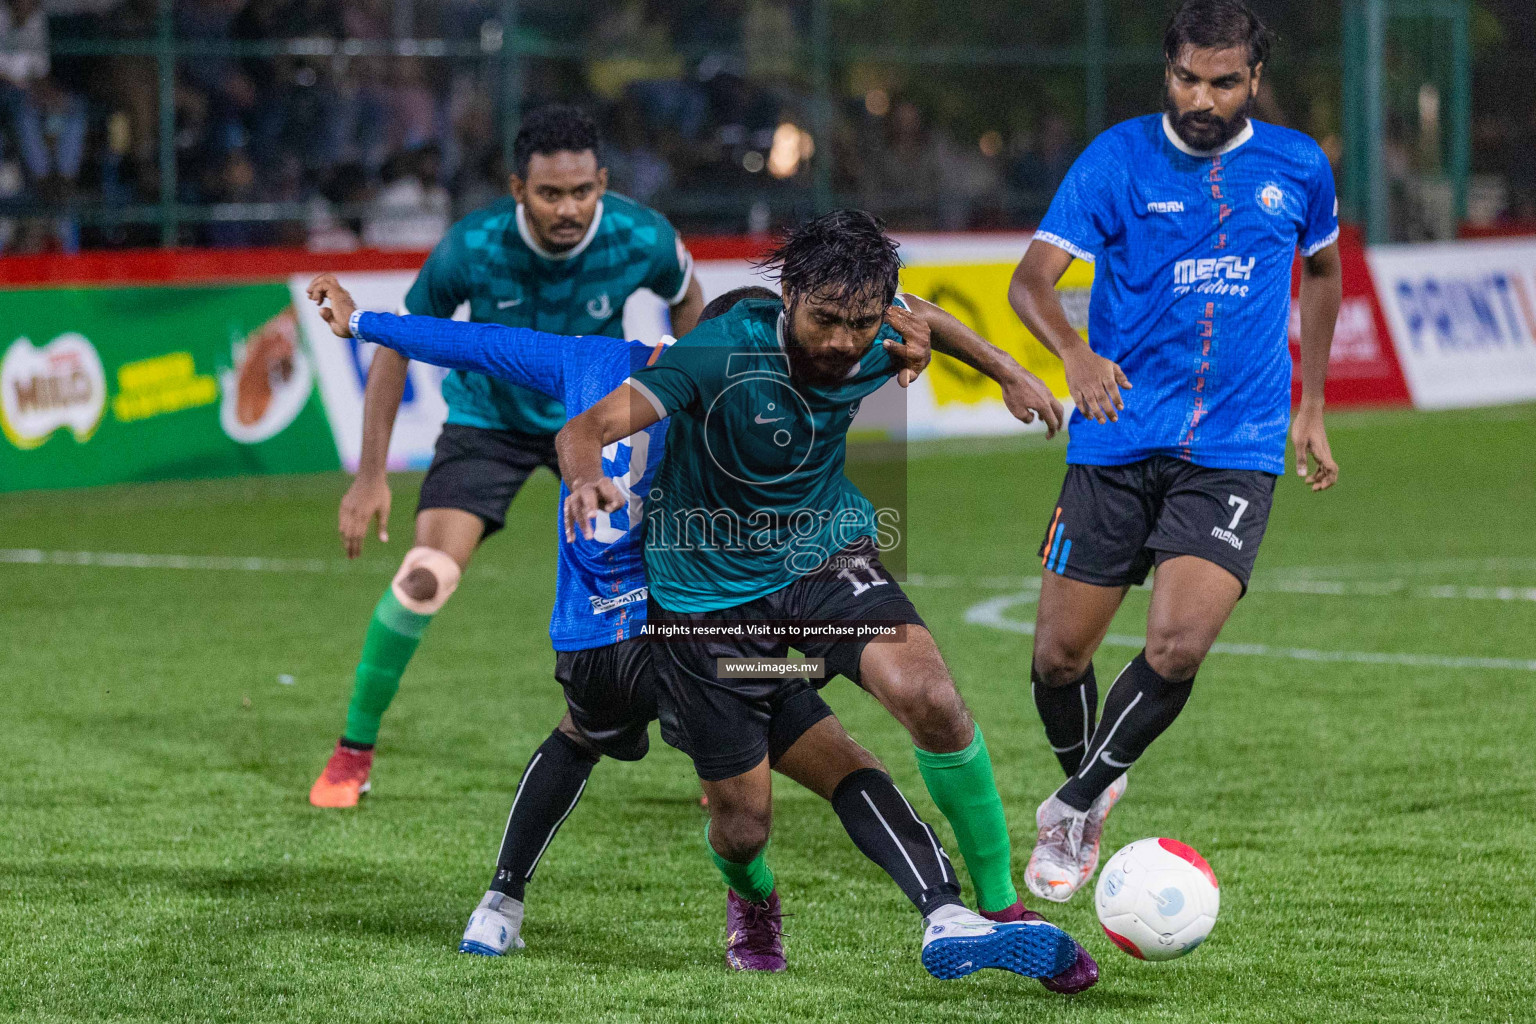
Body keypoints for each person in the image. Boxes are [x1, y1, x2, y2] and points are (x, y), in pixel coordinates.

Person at [306, 275, 1086, 985]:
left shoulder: (594, 360)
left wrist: (362, 321)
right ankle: (933, 907)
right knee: (826, 761)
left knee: (583, 736)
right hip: (695, 639)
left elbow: (471, 342)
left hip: (598, 649)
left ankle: (500, 905)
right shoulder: (734, 384)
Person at [558, 211, 1101, 993]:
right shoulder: (719, 355)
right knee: (745, 823)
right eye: (825, 321)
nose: (846, 343)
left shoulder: (881, 326)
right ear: (791, 298)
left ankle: (1002, 909)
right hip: (707, 604)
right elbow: (589, 424)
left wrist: (1007, 370)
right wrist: (585, 476)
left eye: (863, 322)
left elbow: (930, 319)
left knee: (933, 699)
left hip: (822, 556)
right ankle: (752, 898)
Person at [1006, 0, 1342, 903]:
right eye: (1189, 77)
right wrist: (1073, 353)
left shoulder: (1298, 166)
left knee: (1179, 645)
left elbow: (1321, 268)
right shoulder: (1116, 159)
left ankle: (1075, 808)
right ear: (1168, 69)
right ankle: (1097, 774)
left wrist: (1311, 402)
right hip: (1117, 436)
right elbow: (1031, 280)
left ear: (1253, 80)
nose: (1203, 96)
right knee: (1057, 660)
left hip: (1237, 443)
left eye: (1223, 81)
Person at [309, 104, 706, 808]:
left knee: (685, 579)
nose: (569, 208)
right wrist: (370, 475)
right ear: (518, 188)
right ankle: (353, 752)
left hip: (594, 420)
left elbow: (690, 305)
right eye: (551, 193)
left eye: (583, 191)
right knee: (424, 577)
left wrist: (690, 402)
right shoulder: (473, 246)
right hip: (487, 423)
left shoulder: (643, 236)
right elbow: (399, 338)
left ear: (603, 183)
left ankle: (719, 752)